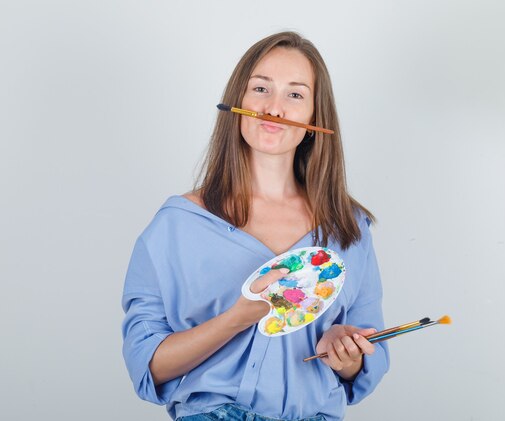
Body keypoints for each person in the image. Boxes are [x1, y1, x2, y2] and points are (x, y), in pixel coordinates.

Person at [121, 31, 389, 421]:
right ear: (237, 102)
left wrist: (344, 354)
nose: (274, 109)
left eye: (295, 95)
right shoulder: (176, 225)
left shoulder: (348, 227)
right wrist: (237, 317)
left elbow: (367, 360)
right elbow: (147, 367)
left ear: (316, 116)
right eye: (261, 88)